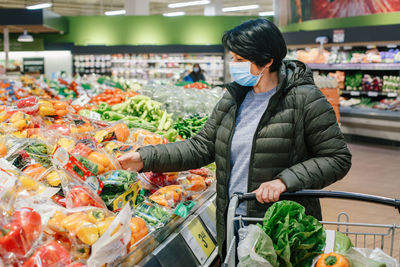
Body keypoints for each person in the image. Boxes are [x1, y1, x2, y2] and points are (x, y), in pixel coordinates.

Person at [118, 18, 352, 257]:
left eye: (240, 60)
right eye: (232, 58)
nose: (234, 65)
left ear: (267, 60)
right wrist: (145, 157)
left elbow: (337, 158)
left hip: (283, 229)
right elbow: (201, 147)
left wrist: (284, 181)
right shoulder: (233, 99)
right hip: (234, 219)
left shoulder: (306, 100)